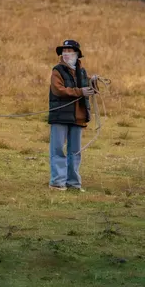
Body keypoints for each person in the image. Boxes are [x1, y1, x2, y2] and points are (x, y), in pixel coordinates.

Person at [48, 39, 96, 192]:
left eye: (70, 51)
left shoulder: (82, 72)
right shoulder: (57, 70)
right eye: (64, 51)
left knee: (75, 151)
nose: (66, 54)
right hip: (60, 115)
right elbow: (58, 90)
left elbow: (87, 87)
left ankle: (74, 183)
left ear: (77, 54)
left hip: (78, 116)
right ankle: (57, 182)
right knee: (57, 150)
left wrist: (93, 84)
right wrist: (79, 92)